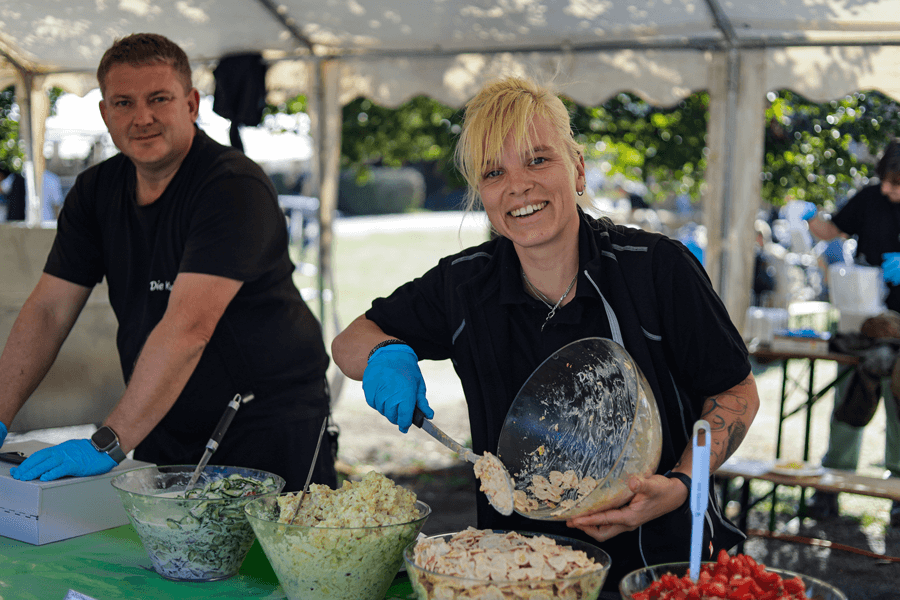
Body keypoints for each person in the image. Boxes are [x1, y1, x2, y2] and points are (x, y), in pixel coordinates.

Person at [331, 76, 759, 588]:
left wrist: (682, 484)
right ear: (481, 194)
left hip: (656, 569)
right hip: (515, 576)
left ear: (576, 169)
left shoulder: (656, 269)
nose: (518, 186)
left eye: (538, 160)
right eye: (494, 172)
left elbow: (736, 391)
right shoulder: (465, 284)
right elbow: (350, 341)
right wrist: (386, 355)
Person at [0, 33, 336, 493]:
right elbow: (49, 311)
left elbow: (188, 328)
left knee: (274, 563)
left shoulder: (232, 187)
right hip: (163, 413)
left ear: (192, 104)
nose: (143, 118)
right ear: (105, 113)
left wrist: (107, 443)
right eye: (123, 103)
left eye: (159, 98)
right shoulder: (95, 193)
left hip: (267, 421)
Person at [805, 139, 900, 524]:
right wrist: (809, 216)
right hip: (865, 322)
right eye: (887, 183)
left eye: (897, 184)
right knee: (849, 396)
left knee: (899, 402)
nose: (889, 191)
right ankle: (832, 481)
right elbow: (832, 230)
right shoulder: (869, 197)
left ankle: (898, 488)